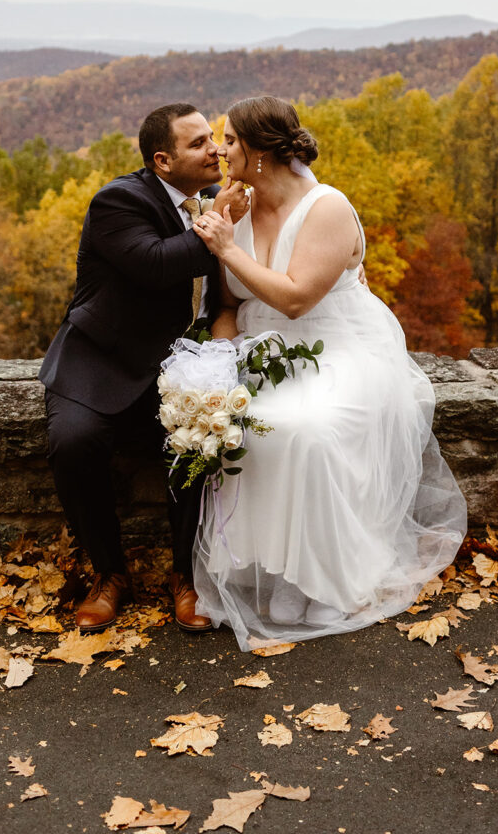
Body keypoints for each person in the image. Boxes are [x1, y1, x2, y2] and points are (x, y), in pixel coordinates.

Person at [190, 95, 467, 650]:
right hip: (261, 352)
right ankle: (270, 569)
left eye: (229, 139)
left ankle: (323, 579)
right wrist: (220, 369)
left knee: (307, 430)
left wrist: (224, 246)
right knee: (244, 421)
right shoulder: (231, 207)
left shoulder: (328, 207)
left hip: (337, 348)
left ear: (260, 151)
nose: (220, 150)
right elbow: (224, 306)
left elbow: (295, 300)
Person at [39, 103, 248, 634]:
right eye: (199, 143)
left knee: (196, 438)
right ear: (162, 160)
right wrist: (218, 220)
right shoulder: (118, 200)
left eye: (215, 139)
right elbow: (156, 264)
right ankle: (109, 575)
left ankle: (185, 575)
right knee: (74, 444)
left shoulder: (196, 201)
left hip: (165, 365)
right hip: (97, 360)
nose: (216, 150)